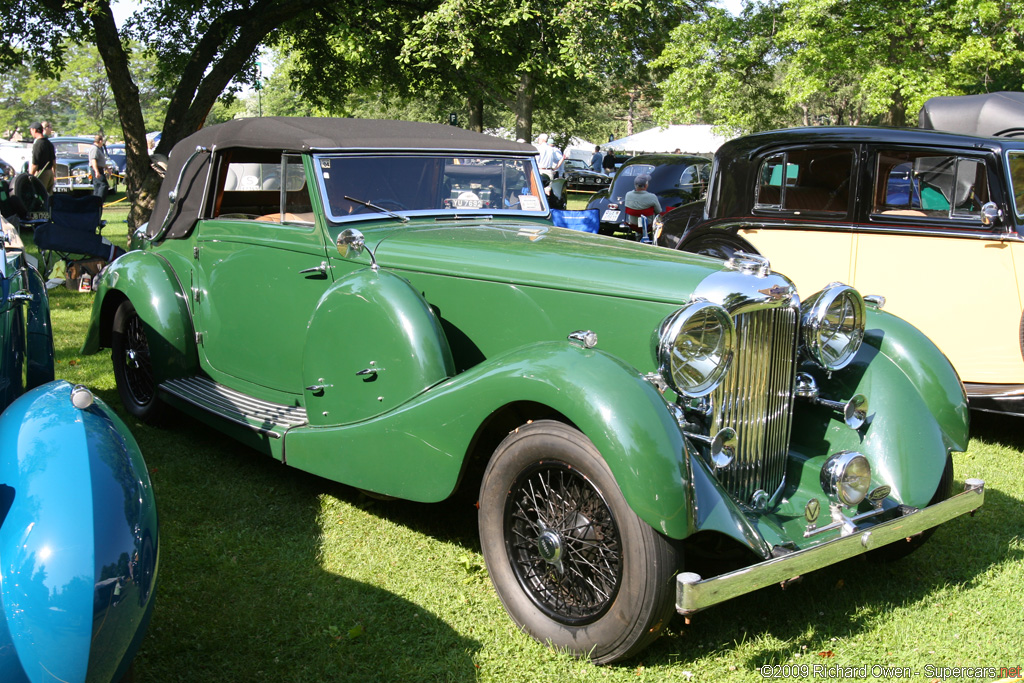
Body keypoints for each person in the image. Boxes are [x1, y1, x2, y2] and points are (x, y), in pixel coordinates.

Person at [28, 122, 56, 194]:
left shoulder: (38, 144)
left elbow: (35, 163)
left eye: (31, 130)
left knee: (39, 195)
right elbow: (54, 161)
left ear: (35, 130)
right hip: (50, 173)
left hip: (42, 173)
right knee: (49, 196)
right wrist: (53, 173)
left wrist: (30, 176)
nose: (31, 132)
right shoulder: (49, 143)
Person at [88, 134, 110, 198]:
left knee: (97, 186)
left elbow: (101, 161)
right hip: (96, 169)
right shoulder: (94, 148)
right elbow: (93, 160)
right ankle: (99, 200)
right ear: (100, 141)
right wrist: (96, 171)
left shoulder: (99, 148)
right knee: (103, 185)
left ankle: (95, 203)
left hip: (100, 169)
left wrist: (107, 168)